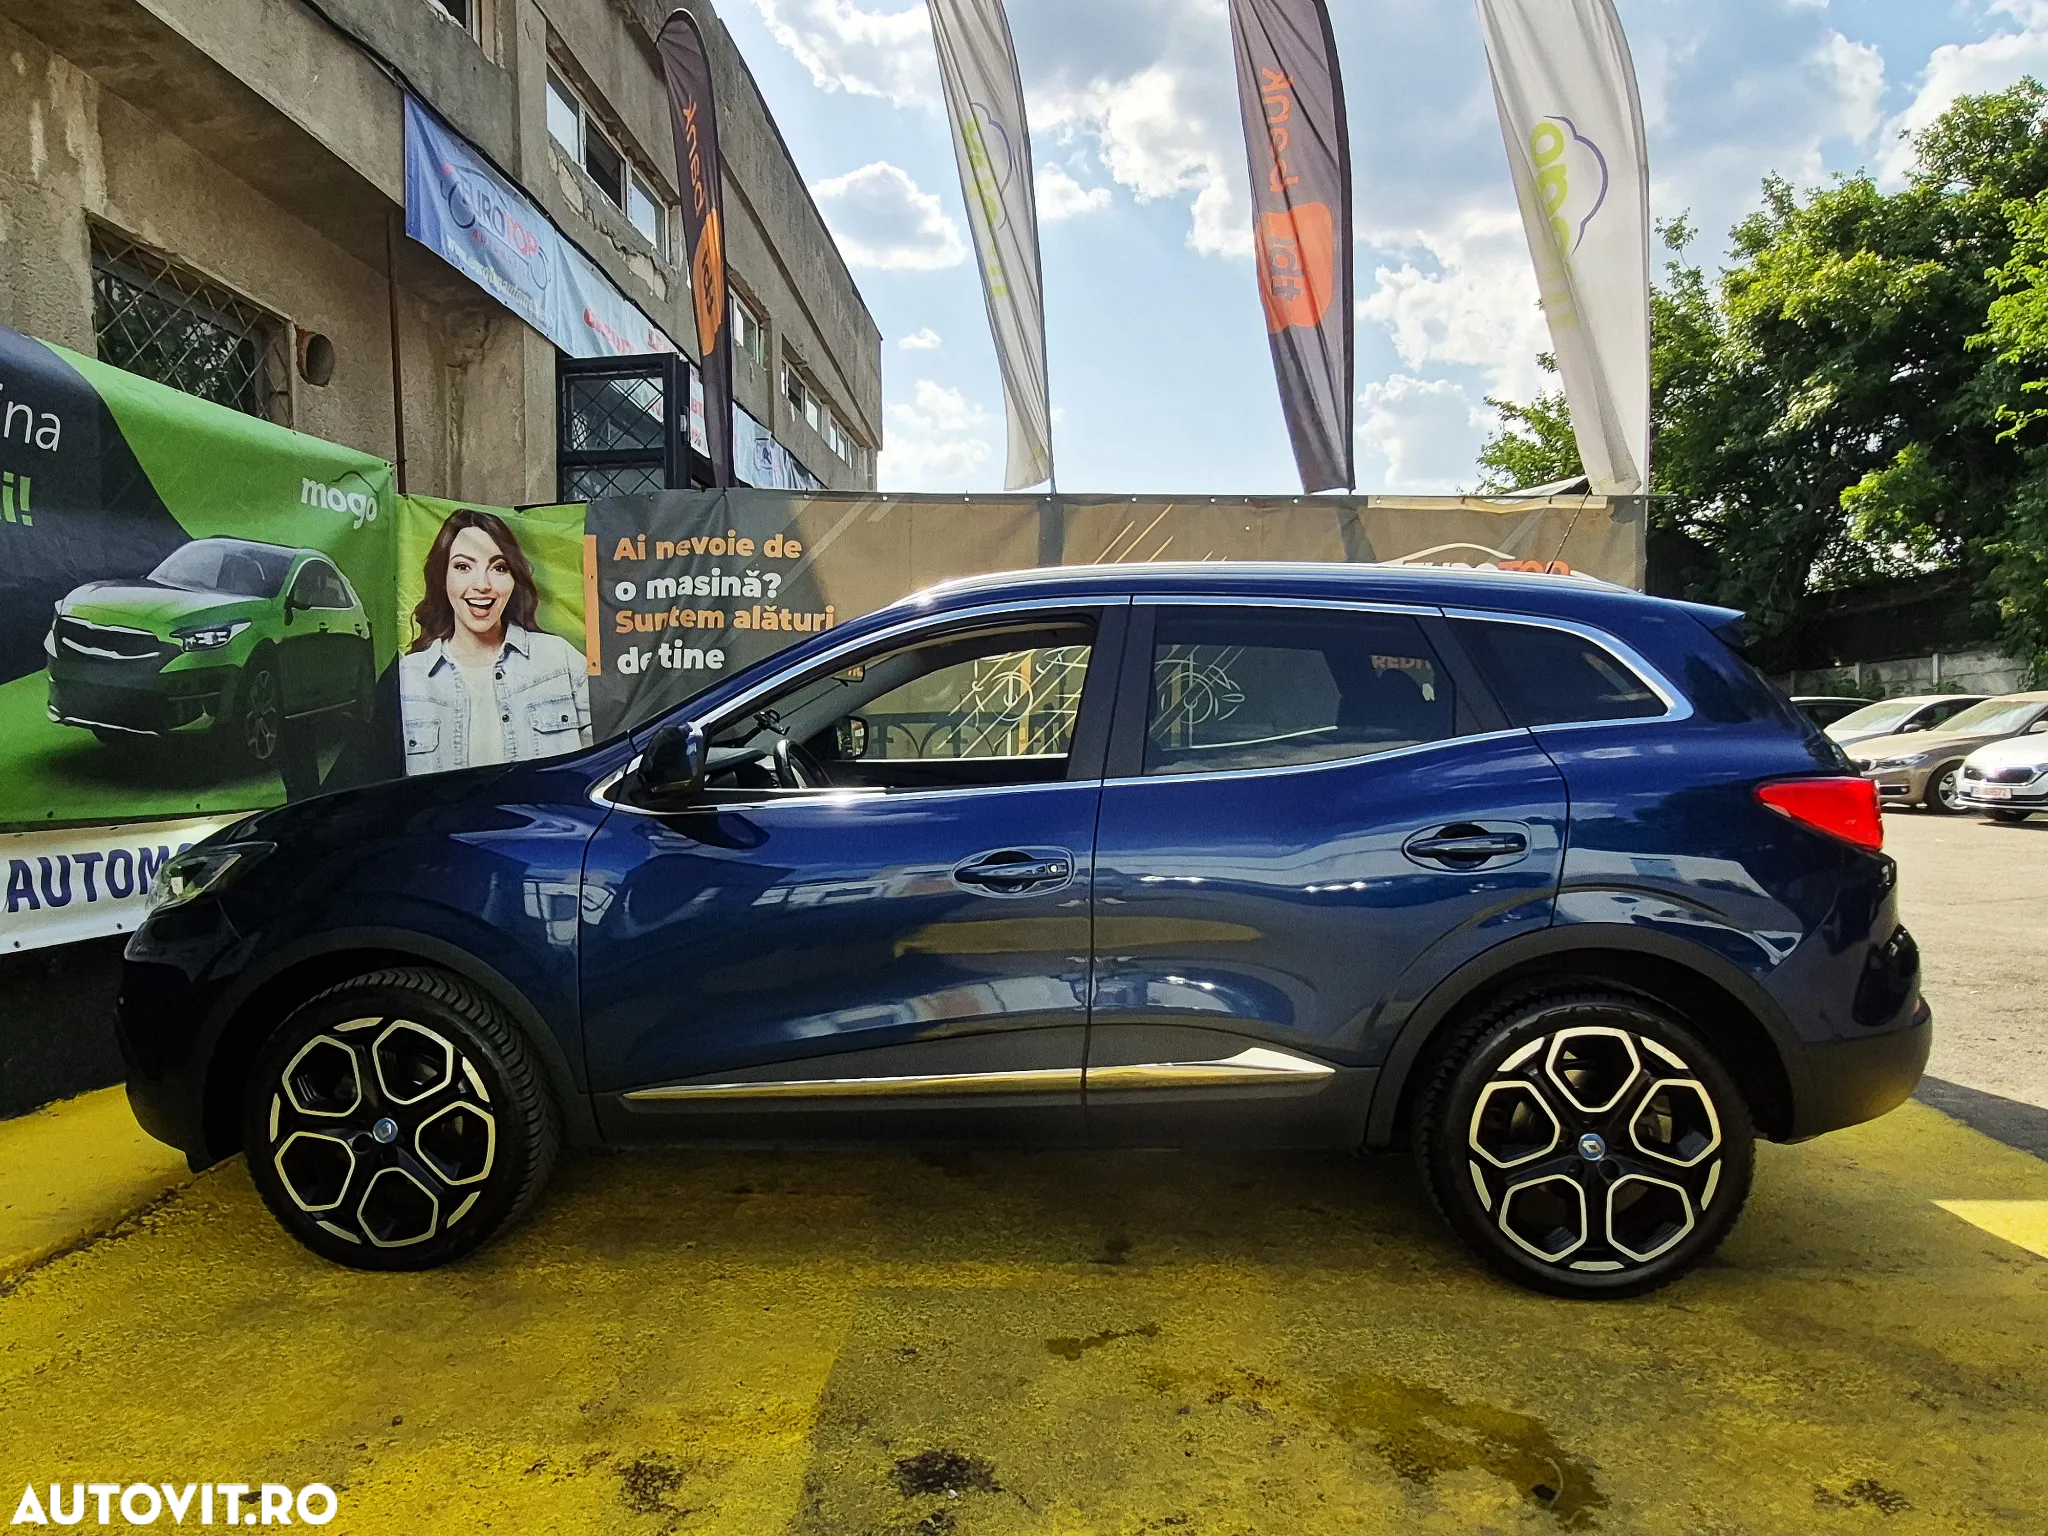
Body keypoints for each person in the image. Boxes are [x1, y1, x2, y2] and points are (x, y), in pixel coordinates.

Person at [398, 509, 590, 775]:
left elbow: (608, 761)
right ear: (442, 577)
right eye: (463, 567)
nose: (482, 585)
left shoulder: (560, 660)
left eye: (499, 568)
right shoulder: (408, 678)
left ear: (514, 578)